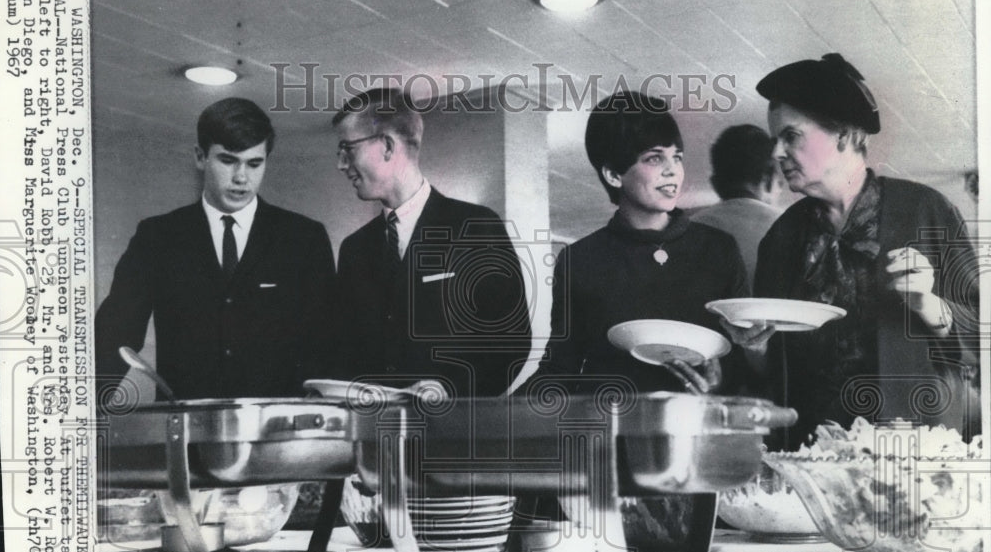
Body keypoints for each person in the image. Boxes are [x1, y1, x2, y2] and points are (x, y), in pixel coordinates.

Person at [726, 53, 980, 448]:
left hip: (917, 449)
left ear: (843, 134)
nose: (775, 152)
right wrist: (755, 348)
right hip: (815, 453)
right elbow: (775, 374)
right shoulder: (782, 239)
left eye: (790, 136)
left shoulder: (924, 211)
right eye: (775, 139)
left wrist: (929, 304)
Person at [95, 97, 338, 404]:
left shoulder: (304, 238)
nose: (241, 178)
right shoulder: (157, 236)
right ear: (200, 157)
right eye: (227, 160)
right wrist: (83, 408)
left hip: (279, 436)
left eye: (254, 163)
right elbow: (115, 333)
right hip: (185, 436)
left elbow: (326, 345)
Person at [521, 91, 749, 398]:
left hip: (697, 430)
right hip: (610, 431)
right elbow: (560, 368)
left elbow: (744, 360)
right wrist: (484, 418)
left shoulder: (718, 250)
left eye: (676, 157)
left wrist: (720, 382)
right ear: (614, 175)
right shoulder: (580, 260)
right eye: (655, 158)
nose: (673, 170)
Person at [331, 87, 531, 402]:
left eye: (348, 148)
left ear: (386, 146)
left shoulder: (476, 228)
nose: (342, 164)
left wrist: (449, 389)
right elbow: (346, 352)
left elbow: (510, 344)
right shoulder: (354, 250)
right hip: (376, 439)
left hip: (454, 438)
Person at [691, 124, 784, 285]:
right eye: (780, 183)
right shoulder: (794, 230)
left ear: (715, 184)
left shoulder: (687, 231)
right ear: (769, 179)